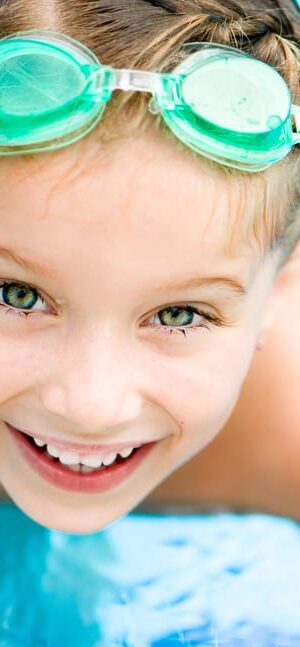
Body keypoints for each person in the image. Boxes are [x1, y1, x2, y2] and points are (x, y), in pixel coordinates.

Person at [0, 0, 299, 534]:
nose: (91, 408)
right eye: (17, 294)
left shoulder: (285, 447)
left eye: (181, 314)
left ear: (277, 288)